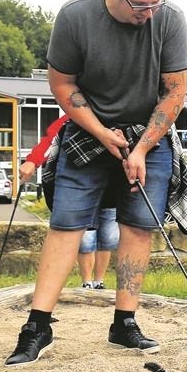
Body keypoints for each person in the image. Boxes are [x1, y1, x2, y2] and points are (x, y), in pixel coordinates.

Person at [5, 0, 187, 367]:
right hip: (88, 132)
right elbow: (62, 84)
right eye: (140, 4)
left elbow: (175, 91)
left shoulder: (170, 19)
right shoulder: (76, 17)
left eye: (155, 1)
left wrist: (143, 146)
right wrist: (100, 132)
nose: (149, 11)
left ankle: (123, 323)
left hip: (150, 133)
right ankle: (37, 326)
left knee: (139, 228)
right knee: (66, 226)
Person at [18, 115, 118, 289]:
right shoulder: (75, 115)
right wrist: (32, 161)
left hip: (112, 186)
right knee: (86, 237)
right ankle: (87, 282)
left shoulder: (122, 113)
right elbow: (52, 139)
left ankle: (99, 281)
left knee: (108, 237)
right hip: (84, 184)